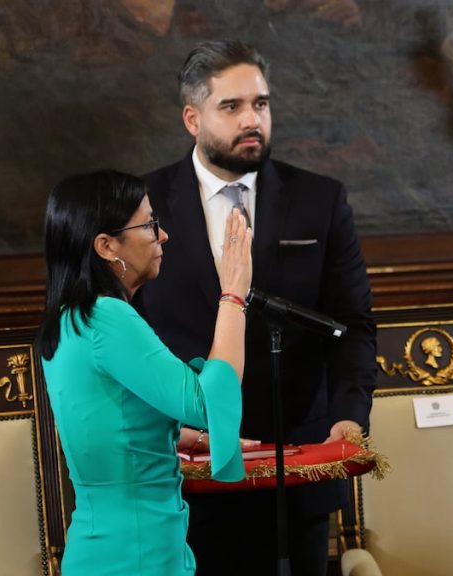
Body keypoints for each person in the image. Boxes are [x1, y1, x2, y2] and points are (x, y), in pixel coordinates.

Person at [134, 40, 377, 576]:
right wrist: (165, 428)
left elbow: (352, 325)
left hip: (296, 471)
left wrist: (349, 416)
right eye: (232, 106)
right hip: (186, 476)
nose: (252, 120)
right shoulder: (141, 204)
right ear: (192, 119)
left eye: (261, 104)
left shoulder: (320, 200)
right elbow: (127, 335)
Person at [36, 170, 253, 575]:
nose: (163, 236)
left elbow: (107, 422)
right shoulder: (106, 316)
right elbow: (205, 403)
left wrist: (186, 437)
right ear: (106, 245)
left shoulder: (71, 317)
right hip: (136, 554)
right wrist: (233, 294)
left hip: (111, 545)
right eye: (150, 224)